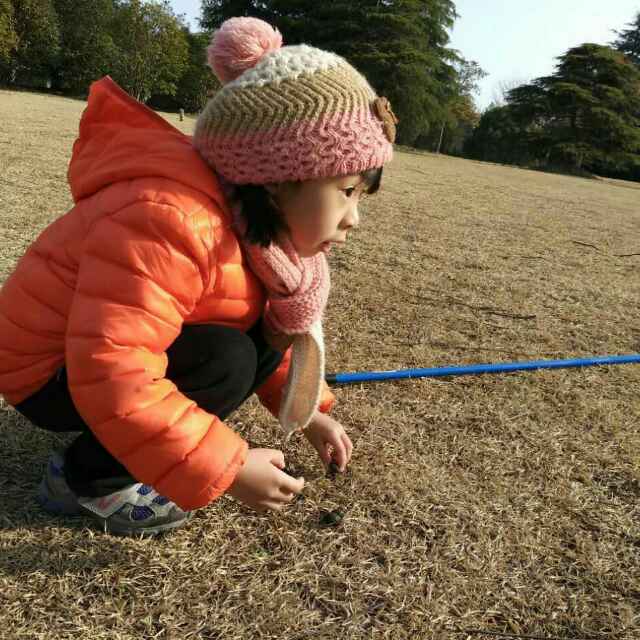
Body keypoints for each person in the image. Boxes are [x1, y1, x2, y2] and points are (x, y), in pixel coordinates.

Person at [0, 17, 397, 536]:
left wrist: (309, 413)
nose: (354, 218)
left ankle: (114, 450)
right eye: (346, 191)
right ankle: (85, 481)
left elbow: (265, 339)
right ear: (276, 182)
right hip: (46, 373)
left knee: (259, 335)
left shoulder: (262, 239)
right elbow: (113, 365)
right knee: (225, 358)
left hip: (88, 357)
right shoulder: (170, 220)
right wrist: (227, 465)